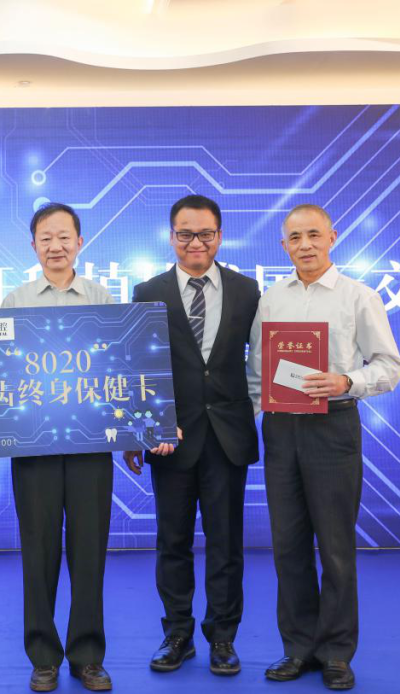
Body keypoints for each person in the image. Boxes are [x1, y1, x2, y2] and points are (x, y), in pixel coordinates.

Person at [247, 203, 400, 690]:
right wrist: (251, 417)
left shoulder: (359, 296)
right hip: (281, 430)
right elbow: (257, 372)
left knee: (335, 547)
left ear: (332, 238)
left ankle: (336, 652)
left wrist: (346, 381)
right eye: (295, 238)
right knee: (287, 545)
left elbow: (390, 366)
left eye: (314, 235)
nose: (305, 245)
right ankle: (297, 648)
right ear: (283, 246)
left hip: (333, 427)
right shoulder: (271, 299)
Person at [124, 194, 260, 677]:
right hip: (171, 438)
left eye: (204, 233)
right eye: (185, 234)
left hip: (227, 437)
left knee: (226, 543)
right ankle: (177, 634)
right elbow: (137, 366)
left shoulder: (247, 291)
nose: (195, 242)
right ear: (171, 237)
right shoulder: (148, 291)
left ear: (219, 236)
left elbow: (260, 363)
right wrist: (138, 430)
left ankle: (223, 637)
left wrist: (252, 412)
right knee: (173, 541)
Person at [2, 203, 116, 692]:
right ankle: (43, 655)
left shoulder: (102, 298)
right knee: (39, 551)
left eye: (64, 237)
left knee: (89, 551)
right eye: (46, 238)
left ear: (80, 243)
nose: (56, 246)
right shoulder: (15, 300)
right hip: (33, 446)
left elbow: (119, 369)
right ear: (33, 246)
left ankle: (88, 656)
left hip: (91, 446)